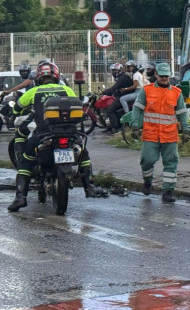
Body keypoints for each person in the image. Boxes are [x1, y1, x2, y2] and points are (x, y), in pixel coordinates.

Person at [8, 63, 97, 212]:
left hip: (43, 134)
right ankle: (89, 187)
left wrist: (15, 113)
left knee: (26, 161)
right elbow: (78, 105)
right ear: (56, 76)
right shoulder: (66, 89)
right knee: (83, 154)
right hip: (70, 133)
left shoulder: (34, 92)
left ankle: (20, 198)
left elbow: (17, 107)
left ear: (38, 77)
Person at [130, 63, 190, 203]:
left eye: (166, 76)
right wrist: (135, 125)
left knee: (171, 163)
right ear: (156, 75)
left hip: (170, 135)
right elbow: (137, 109)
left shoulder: (176, 93)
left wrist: (186, 130)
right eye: (161, 76)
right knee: (147, 160)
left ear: (169, 76)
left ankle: (168, 191)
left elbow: (182, 113)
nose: (164, 78)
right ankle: (147, 182)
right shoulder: (147, 91)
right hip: (151, 134)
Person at [101, 63, 132, 134]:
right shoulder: (120, 77)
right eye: (112, 70)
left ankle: (117, 128)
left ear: (120, 70)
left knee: (110, 110)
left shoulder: (123, 77)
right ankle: (110, 127)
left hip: (125, 96)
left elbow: (115, 87)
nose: (113, 72)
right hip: (122, 95)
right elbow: (116, 88)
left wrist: (105, 92)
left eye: (115, 70)